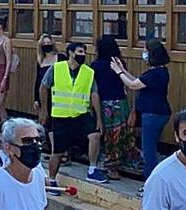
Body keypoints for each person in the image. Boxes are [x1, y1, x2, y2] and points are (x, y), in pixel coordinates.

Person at [39, 41, 107, 188]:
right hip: (61, 116)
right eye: (80, 52)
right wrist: (44, 110)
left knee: (94, 135)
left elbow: (94, 93)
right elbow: (44, 87)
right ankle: (51, 179)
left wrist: (99, 118)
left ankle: (92, 169)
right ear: (70, 53)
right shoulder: (56, 69)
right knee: (57, 152)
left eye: (84, 52)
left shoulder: (88, 72)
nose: (83, 55)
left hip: (81, 114)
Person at [111, 38, 172, 190]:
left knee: (148, 151)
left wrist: (118, 72)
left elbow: (133, 85)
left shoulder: (156, 73)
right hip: (156, 113)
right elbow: (137, 81)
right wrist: (122, 70)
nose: (143, 54)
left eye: (145, 51)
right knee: (149, 149)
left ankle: (150, 185)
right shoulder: (158, 72)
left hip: (153, 114)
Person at [92, 34, 138, 180]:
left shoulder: (95, 66)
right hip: (121, 103)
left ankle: (109, 165)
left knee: (108, 135)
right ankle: (120, 163)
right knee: (121, 134)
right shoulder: (119, 63)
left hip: (106, 105)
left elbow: (94, 90)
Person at [34, 34, 58, 153]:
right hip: (44, 96)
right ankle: (50, 147)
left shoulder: (60, 58)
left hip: (57, 95)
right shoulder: (41, 61)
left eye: (49, 43)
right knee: (46, 122)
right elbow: (37, 81)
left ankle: (56, 150)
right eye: (44, 44)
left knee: (55, 122)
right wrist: (36, 99)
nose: (47, 46)